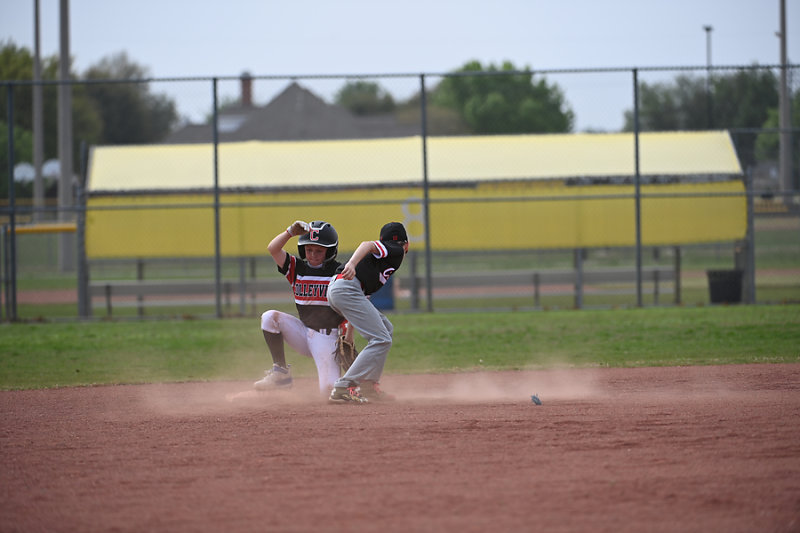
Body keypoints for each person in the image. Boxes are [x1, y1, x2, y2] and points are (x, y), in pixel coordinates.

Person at [254, 220, 348, 396]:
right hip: (303, 333)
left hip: (327, 338)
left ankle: (356, 386)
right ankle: (281, 373)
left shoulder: (339, 271)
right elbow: (273, 249)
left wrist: (348, 328)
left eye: (319, 250)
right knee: (269, 317)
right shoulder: (297, 268)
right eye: (309, 249)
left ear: (330, 251)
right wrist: (290, 232)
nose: (312, 254)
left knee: (329, 392)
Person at [327, 222, 409, 403]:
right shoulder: (397, 250)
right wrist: (351, 264)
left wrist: (349, 333)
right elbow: (367, 244)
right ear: (407, 245)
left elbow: (362, 300)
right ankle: (344, 386)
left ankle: (369, 385)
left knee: (386, 329)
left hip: (341, 290)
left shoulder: (377, 263)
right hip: (346, 289)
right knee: (381, 339)